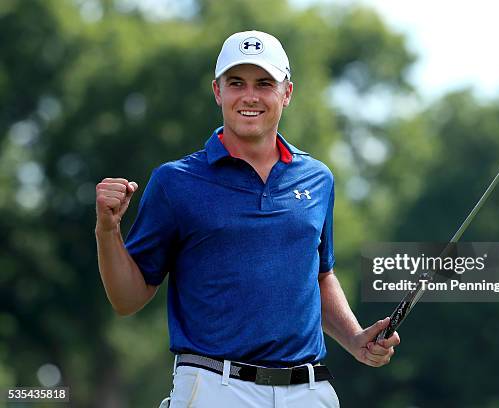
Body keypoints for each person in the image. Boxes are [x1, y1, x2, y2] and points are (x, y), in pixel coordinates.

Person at [95, 30, 400, 407]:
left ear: (287, 93)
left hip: (308, 390)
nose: (250, 96)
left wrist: (354, 338)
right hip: (213, 386)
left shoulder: (318, 179)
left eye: (264, 83)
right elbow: (127, 299)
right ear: (217, 91)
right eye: (236, 83)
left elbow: (320, 275)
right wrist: (107, 231)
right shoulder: (175, 182)